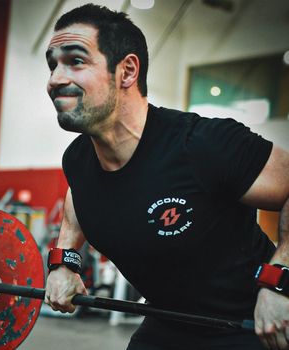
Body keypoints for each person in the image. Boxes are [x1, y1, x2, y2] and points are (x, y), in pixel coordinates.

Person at [43, 4, 289, 349]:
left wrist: (279, 283)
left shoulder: (204, 143)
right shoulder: (79, 159)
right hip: (169, 319)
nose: (55, 79)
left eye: (76, 61)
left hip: (253, 323)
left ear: (127, 71)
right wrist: (65, 263)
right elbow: (78, 197)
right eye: (52, 64)